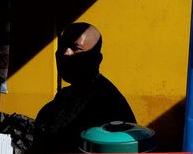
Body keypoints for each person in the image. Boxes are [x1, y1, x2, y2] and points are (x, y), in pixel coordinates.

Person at [31, 22, 136, 153]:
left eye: (76, 48)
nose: (66, 53)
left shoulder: (109, 103)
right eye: (62, 47)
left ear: (97, 59)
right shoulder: (63, 98)